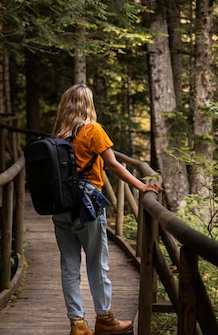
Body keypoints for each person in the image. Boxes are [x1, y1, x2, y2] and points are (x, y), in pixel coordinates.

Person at [51, 84, 162, 335]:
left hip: (61, 208)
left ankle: (77, 325)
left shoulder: (58, 135)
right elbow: (113, 164)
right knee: (97, 264)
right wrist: (141, 186)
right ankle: (105, 319)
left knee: (69, 265)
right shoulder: (93, 130)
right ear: (88, 104)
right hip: (87, 208)